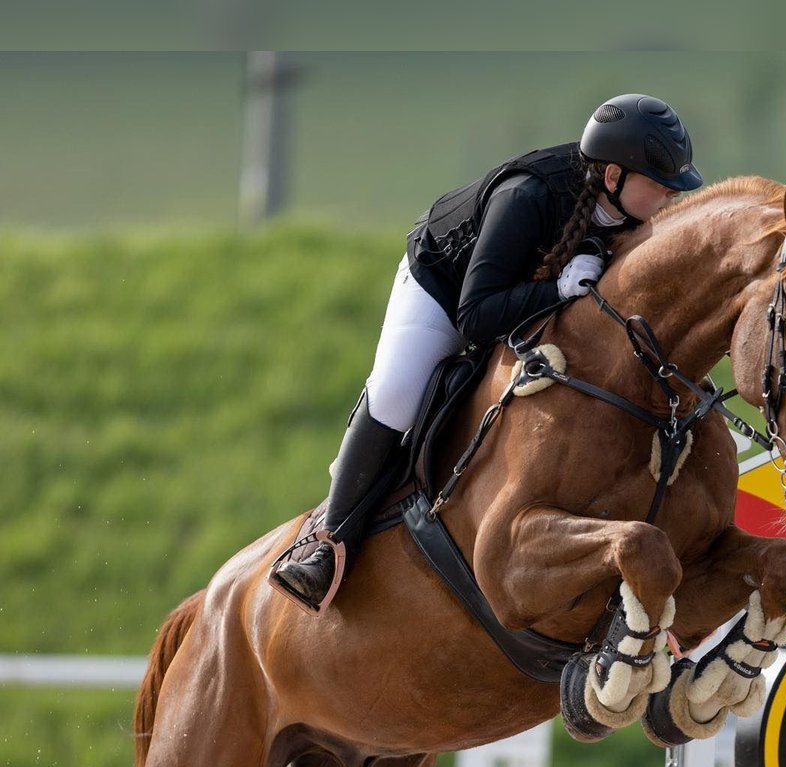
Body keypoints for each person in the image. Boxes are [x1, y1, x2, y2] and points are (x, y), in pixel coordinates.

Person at [272, 94, 704, 611]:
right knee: (396, 393)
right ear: (612, 175)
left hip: (522, 298)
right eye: (657, 186)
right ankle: (326, 543)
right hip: (444, 288)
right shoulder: (528, 195)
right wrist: (557, 293)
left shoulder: (630, 215)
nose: (666, 199)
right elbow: (474, 316)